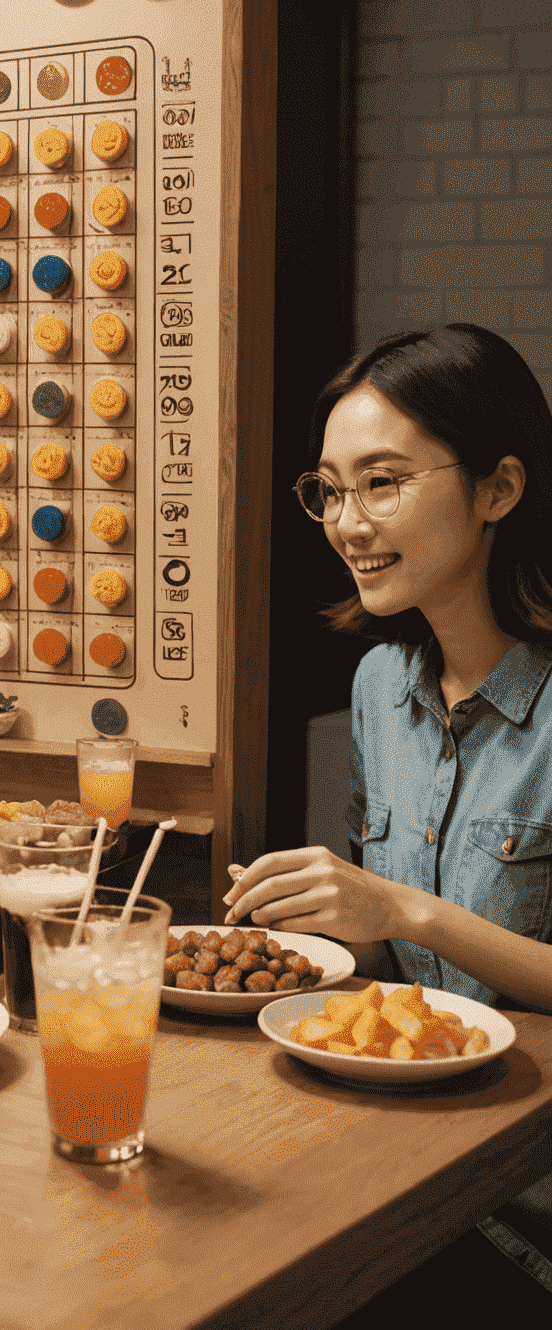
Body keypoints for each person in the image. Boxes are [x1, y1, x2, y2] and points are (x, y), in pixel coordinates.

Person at [223, 323, 552, 1310]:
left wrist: (402, 911)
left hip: (526, 1208)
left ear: (498, 488)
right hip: (399, 1166)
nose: (347, 522)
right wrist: (320, 932)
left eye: (383, 482)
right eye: (329, 489)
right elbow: (389, 977)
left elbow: (411, 924)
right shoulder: (379, 686)